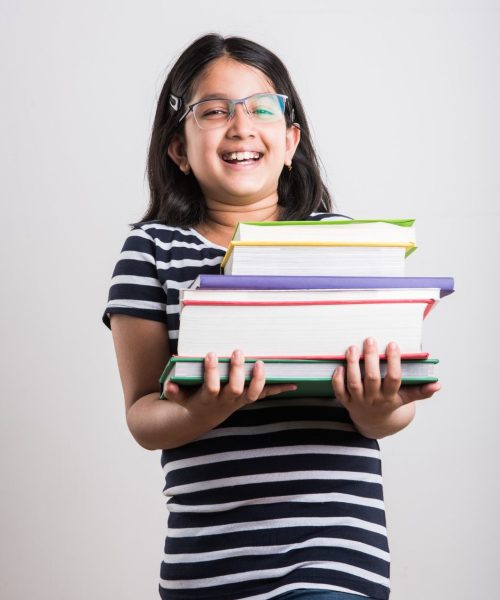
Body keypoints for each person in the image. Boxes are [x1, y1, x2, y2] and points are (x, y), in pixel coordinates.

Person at [103, 33, 440, 600]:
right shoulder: (151, 251)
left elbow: (387, 414)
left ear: (290, 141)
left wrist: (380, 407)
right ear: (179, 149)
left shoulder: (345, 244)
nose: (240, 126)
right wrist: (210, 407)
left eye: (262, 108)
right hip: (208, 561)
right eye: (214, 111)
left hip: (334, 551)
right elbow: (142, 416)